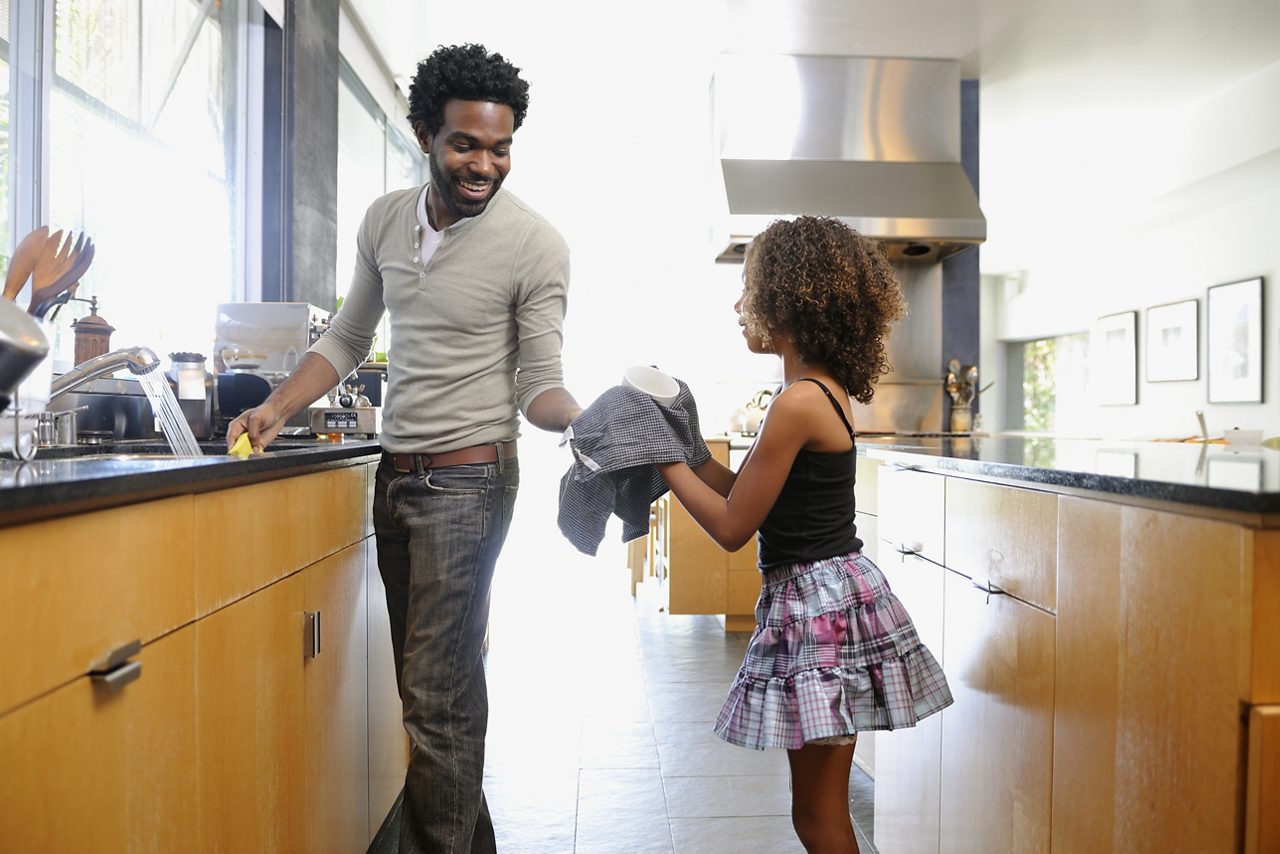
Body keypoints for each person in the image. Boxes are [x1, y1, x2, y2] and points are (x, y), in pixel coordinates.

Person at [227, 43, 581, 854]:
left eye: (500, 147)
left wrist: (584, 417)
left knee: (434, 696)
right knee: (435, 695)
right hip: (396, 479)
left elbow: (538, 382)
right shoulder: (385, 218)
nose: (484, 164)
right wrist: (275, 405)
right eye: (465, 144)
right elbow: (350, 336)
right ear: (425, 133)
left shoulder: (537, 245)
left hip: (470, 482)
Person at [657, 216, 952, 854]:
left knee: (818, 819)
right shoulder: (817, 390)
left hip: (816, 609)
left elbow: (734, 526)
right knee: (820, 815)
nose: (739, 305)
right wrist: (685, 444)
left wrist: (660, 459)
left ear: (789, 297)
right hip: (833, 599)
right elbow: (745, 490)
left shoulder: (798, 402)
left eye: (749, 288)